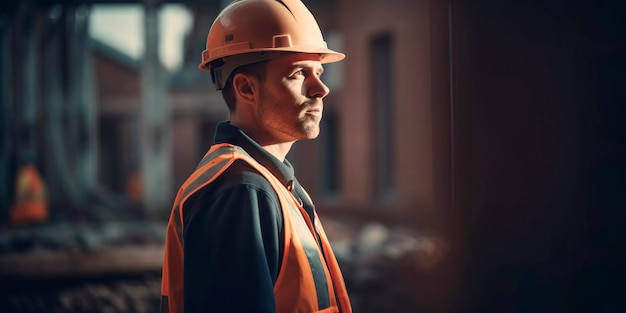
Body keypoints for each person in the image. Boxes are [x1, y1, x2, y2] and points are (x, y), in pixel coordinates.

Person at [160, 0, 352, 312]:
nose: (321, 88)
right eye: (299, 73)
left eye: (319, 71)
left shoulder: (269, 184)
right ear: (246, 89)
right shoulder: (239, 191)